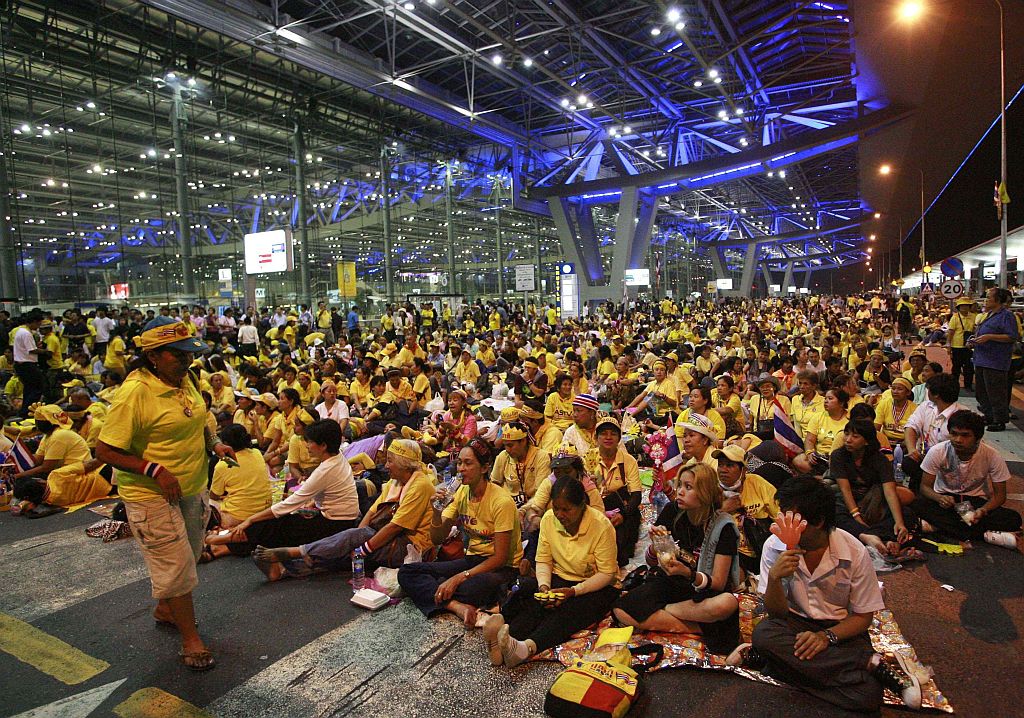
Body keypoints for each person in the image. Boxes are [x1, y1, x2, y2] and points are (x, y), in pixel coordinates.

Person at [96, 316, 235, 672]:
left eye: (189, 354)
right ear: (153, 356)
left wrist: (215, 443)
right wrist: (153, 470)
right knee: (174, 564)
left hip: (191, 487)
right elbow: (106, 451)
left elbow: (199, 417)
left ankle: (165, 609)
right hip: (150, 495)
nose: (187, 361)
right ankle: (191, 640)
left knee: (187, 558)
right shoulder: (134, 393)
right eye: (177, 355)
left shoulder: (185, 378)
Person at [731, 476, 922, 711]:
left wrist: (826, 637)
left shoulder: (854, 552)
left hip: (840, 631)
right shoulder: (774, 546)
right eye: (782, 516)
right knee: (764, 635)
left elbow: (863, 617)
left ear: (819, 521)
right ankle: (868, 663)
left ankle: (776, 664)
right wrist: (774, 578)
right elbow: (776, 612)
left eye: (792, 519)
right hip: (792, 625)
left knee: (869, 697)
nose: (783, 524)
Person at [483, 476, 620, 667]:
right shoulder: (549, 519)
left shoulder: (600, 526)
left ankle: (527, 648)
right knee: (536, 602)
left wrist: (574, 591)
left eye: (566, 510)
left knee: (568, 611)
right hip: (561, 578)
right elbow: (543, 560)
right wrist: (544, 586)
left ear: (582, 505)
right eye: (556, 508)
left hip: (597, 585)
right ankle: (502, 642)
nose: (560, 514)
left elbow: (607, 574)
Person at [252, 439, 435, 580]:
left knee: (351, 545)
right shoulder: (396, 482)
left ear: (404, 463)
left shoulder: (420, 485)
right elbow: (372, 511)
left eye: (390, 461)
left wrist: (362, 547)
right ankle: (285, 569)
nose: (386, 466)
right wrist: (359, 537)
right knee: (347, 547)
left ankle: (296, 553)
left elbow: (395, 527)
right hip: (384, 533)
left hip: (410, 546)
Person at [612, 464, 741, 654]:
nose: (679, 491)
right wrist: (658, 548)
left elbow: (719, 583)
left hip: (702, 589)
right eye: (680, 485)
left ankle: (666, 611)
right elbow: (652, 561)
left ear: (705, 493)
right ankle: (699, 627)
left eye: (688, 487)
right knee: (620, 610)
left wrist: (688, 574)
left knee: (727, 603)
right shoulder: (672, 511)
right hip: (673, 583)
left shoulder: (723, 527)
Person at [398, 438, 521, 626]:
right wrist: (437, 512)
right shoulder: (462, 492)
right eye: (459, 463)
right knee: (406, 572)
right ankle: (456, 606)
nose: (461, 469)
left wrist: (458, 577)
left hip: (501, 567)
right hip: (472, 559)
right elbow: (437, 538)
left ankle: (439, 590)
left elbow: (500, 558)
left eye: (468, 463)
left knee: (472, 587)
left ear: (485, 468)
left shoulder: (501, 501)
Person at [207, 419, 361, 555]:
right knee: (278, 523)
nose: (307, 446)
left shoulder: (325, 469)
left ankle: (225, 541)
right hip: (341, 519)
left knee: (272, 525)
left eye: (310, 442)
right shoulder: (337, 457)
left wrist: (249, 520)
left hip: (334, 524)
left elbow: (290, 503)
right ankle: (225, 547)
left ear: (323, 445)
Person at [912, 409, 1023, 550]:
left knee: (1013, 518)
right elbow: (924, 488)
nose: (958, 440)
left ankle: (940, 527)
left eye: (965, 435)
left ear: (977, 437)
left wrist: (983, 510)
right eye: (954, 434)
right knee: (916, 504)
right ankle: (983, 534)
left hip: (974, 502)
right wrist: (939, 498)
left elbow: (1000, 496)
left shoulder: (992, 455)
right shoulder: (938, 451)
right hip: (946, 502)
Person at [830, 420, 914, 557]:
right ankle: (872, 537)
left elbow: (890, 492)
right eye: (846, 434)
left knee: (907, 515)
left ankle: (868, 535)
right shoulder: (838, 456)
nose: (848, 440)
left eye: (855, 436)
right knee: (833, 514)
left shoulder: (880, 460)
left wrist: (899, 522)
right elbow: (845, 490)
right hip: (847, 503)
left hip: (873, 503)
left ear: (867, 441)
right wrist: (857, 517)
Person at [711, 444, 779, 574]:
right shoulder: (711, 487)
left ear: (743, 470)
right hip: (725, 554)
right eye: (721, 464)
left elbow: (780, 517)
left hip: (760, 552)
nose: (723, 470)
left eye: (730, 465)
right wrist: (722, 510)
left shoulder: (757, 483)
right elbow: (699, 524)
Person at [591, 415, 642, 566]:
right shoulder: (588, 458)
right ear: (596, 437)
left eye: (613, 434)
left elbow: (636, 495)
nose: (608, 437)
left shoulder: (628, 460)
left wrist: (622, 514)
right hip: (595, 506)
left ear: (619, 438)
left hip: (619, 507)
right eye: (604, 433)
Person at [971, 287, 1018, 431]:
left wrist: (989, 337)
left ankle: (1000, 420)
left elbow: (1011, 336)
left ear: (998, 300)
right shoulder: (989, 315)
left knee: (996, 391)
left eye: (989, 298)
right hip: (981, 358)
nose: (986, 300)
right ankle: (989, 415)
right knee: (982, 391)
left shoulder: (1007, 316)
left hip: (995, 361)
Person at [208, 423, 271, 530]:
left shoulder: (223, 464)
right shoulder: (257, 453)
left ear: (225, 444)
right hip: (264, 511)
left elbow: (214, 496)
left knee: (207, 502)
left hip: (237, 517)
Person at [490, 421, 551, 508]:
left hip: (532, 505)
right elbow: (494, 484)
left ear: (523, 441)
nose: (507, 449)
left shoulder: (541, 456)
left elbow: (541, 493)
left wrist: (524, 510)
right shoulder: (503, 456)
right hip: (506, 505)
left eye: (510, 445)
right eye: (505, 445)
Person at [793, 389, 849, 475]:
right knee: (798, 460)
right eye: (825, 398)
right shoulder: (818, 417)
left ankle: (824, 477)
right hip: (820, 457)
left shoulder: (850, 419)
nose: (826, 401)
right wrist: (810, 452)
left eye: (830, 398)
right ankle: (824, 477)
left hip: (839, 458)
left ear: (841, 403)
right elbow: (809, 440)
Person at [13, 310, 46, 414]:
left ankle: (25, 411)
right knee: (37, 388)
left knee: (29, 388)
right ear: (34, 321)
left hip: (21, 364)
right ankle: (29, 410)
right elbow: (31, 349)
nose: (39, 326)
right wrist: (46, 352)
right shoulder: (26, 333)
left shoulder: (20, 331)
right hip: (27, 364)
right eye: (39, 323)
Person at [946, 297, 976, 390]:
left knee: (969, 367)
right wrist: (948, 345)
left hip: (969, 346)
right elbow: (951, 332)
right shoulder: (955, 317)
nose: (964, 307)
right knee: (956, 367)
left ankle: (968, 386)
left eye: (966, 306)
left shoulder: (974, 316)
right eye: (962, 306)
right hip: (957, 346)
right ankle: (954, 386)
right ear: (958, 307)